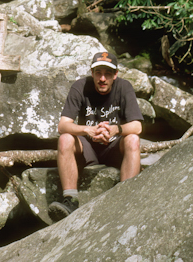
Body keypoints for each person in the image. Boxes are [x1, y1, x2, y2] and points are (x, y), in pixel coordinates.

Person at [48, 51, 143, 221]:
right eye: (98, 73)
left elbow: (137, 126)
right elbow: (63, 125)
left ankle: (126, 199)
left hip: (114, 147)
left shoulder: (124, 87)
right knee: (65, 139)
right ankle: (70, 200)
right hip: (88, 148)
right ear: (92, 73)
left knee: (133, 139)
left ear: (115, 75)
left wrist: (116, 130)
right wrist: (88, 130)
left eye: (107, 74)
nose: (102, 79)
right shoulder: (80, 86)